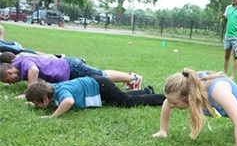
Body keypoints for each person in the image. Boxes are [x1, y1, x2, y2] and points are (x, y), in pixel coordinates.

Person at [25, 76, 165, 117]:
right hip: (97, 83)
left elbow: (69, 101)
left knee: (127, 102)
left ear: (45, 99)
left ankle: (163, 98)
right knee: (121, 97)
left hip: (101, 86)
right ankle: (146, 91)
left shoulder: (61, 92)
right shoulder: (52, 88)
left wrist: (53, 116)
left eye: (37, 103)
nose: (38, 106)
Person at [0, 54, 143, 94]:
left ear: (10, 71)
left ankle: (133, 78)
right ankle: (130, 78)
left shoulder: (22, 62)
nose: (12, 83)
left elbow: (34, 70)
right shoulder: (20, 63)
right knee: (99, 77)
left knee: (101, 75)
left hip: (70, 67)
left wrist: (30, 92)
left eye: (10, 80)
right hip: (68, 70)